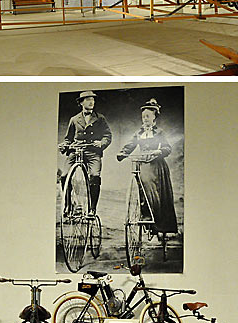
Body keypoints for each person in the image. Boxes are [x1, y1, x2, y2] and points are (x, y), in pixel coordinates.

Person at [116, 98, 178, 235]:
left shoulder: (159, 133)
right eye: (143, 117)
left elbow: (167, 147)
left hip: (156, 164)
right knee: (141, 186)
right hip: (142, 163)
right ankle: (146, 217)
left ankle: (155, 220)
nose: (145, 119)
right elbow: (131, 145)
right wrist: (123, 153)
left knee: (150, 186)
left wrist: (159, 151)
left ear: (154, 117)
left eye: (148, 116)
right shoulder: (139, 133)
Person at [59, 91, 112, 215]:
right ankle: (68, 205)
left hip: (93, 152)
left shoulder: (100, 118)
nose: (91, 102)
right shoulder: (74, 119)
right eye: (88, 100)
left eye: (93, 100)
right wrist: (64, 145)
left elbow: (107, 135)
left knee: (95, 176)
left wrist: (101, 143)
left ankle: (92, 209)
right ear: (81, 103)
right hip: (76, 150)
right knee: (64, 176)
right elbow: (68, 138)